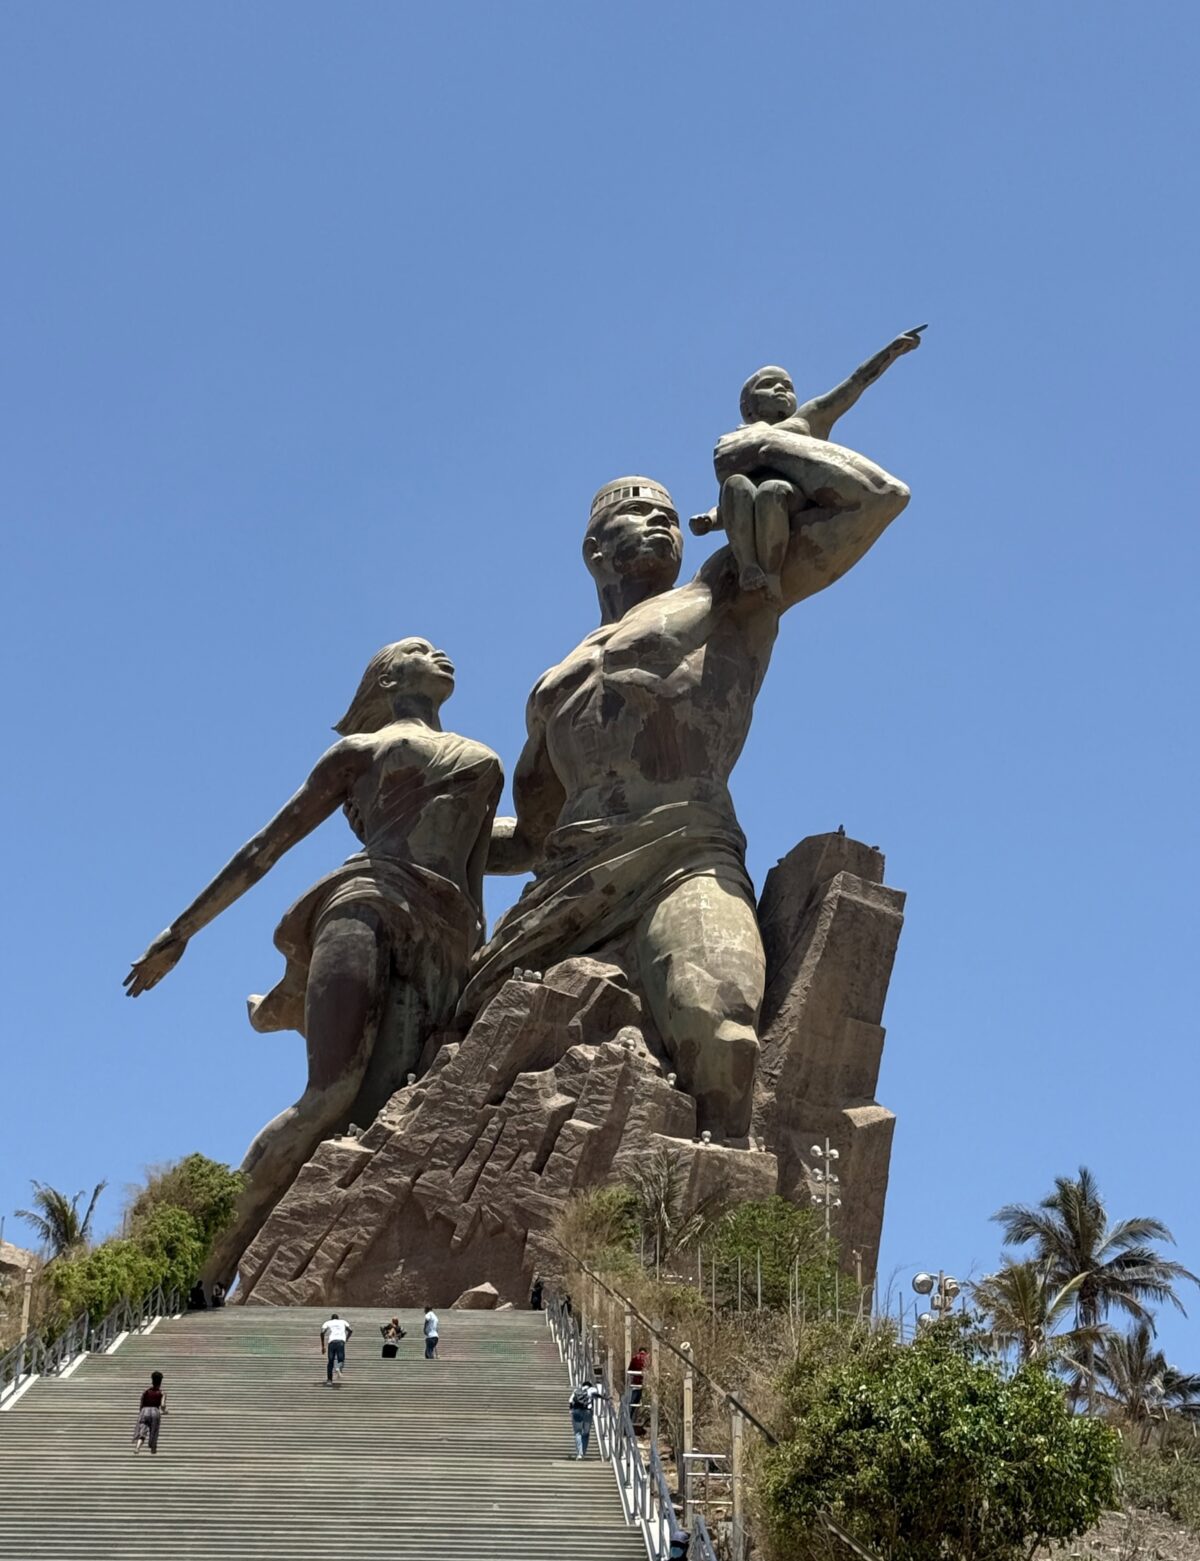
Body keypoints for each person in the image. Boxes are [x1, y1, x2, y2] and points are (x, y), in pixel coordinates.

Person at [465, 425, 911, 1138]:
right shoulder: (552, 686)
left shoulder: (728, 590)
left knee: (721, 1024)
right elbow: (530, 838)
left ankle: (723, 1182)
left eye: (671, 517)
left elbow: (878, 499)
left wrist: (766, 444)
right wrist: (414, 845)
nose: (662, 525)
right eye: (641, 515)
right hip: (566, 885)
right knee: (471, 1045)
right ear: (595, 550)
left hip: (685, 856)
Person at [125, 639, 503, 1289]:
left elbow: (487, 862)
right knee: (330, 1095)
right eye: (419, 649)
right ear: (387, 679)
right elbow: (265, 848)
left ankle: (339, 1269)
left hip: (446, 936)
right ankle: (205, 1264)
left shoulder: (483, 761)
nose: (440, 653)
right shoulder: (361, 751)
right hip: (366, 905)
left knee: (388, 1105)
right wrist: (181, 932)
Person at [689, 329, 923, 599]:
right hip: (748, 501)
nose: (781, 389)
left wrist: (891, 352)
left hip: (790, 496)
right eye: (769, 385)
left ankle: (772, 573)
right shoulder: (736, 438)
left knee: (772, 490)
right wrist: (710, 520)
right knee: (735, 484)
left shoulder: (804, 420)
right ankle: (748, 566)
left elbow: (853, 384)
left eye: (788, 386)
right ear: (747, 406)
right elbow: (729, 504)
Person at [568, 1365, 605, 1460]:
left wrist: (571, 1410)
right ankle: (583, 1453)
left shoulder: (576, 1390)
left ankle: (579, 1454)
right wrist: (604, 1398)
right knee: (586, 1433)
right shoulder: (591, 1389)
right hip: (587, 1413)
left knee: (578, 1433)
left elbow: (570, 1401)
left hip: (576, 1412)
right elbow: (595, 1394)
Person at [132, 1370, 167, 1455]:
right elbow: (162, 1405)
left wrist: (141, 1412)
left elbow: (141, 1404)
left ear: (152, 1380)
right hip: (155, 1411)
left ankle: (137, 1448)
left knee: (142, 1430)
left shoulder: (145, 1392)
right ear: (160, 1381)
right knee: (154, 1430)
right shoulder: (162, 1393)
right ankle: (153, 1448)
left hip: (144, 1410)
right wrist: (165, 1411)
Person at [321, 1312, 352, 1384]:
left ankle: (329, 1380)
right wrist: (346, 1339)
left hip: (331, 1342)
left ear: (331, 1319)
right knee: (341, 1358)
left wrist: (323, 1346)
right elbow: (350, 1330)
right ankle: (338, 1368)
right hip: (341, 1342)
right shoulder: (343, 1322)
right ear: (338, 1318)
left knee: (330, 1361)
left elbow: (322, 1332)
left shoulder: (327, 1322)